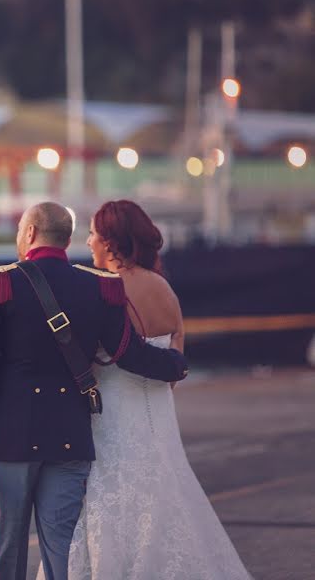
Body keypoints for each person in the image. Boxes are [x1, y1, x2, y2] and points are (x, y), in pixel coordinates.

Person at [0, 202, 189, 580]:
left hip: (12, 440)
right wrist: (176, 365)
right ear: (67, 239)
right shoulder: (99, 285)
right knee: (60, 551)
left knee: (7, 547)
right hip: (70, 436)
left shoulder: (0, 282)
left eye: (20, 229)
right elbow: (126, 353)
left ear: (30, 233)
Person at [37, 200, 252, 580]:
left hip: (111, 419)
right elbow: (173, 364)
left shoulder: (103, 289)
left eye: (92, 234)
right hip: (158, 419)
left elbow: (90, 357)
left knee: (105, 503)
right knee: (166, 497)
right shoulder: (165, 289)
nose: (87, 242)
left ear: (110, 242)